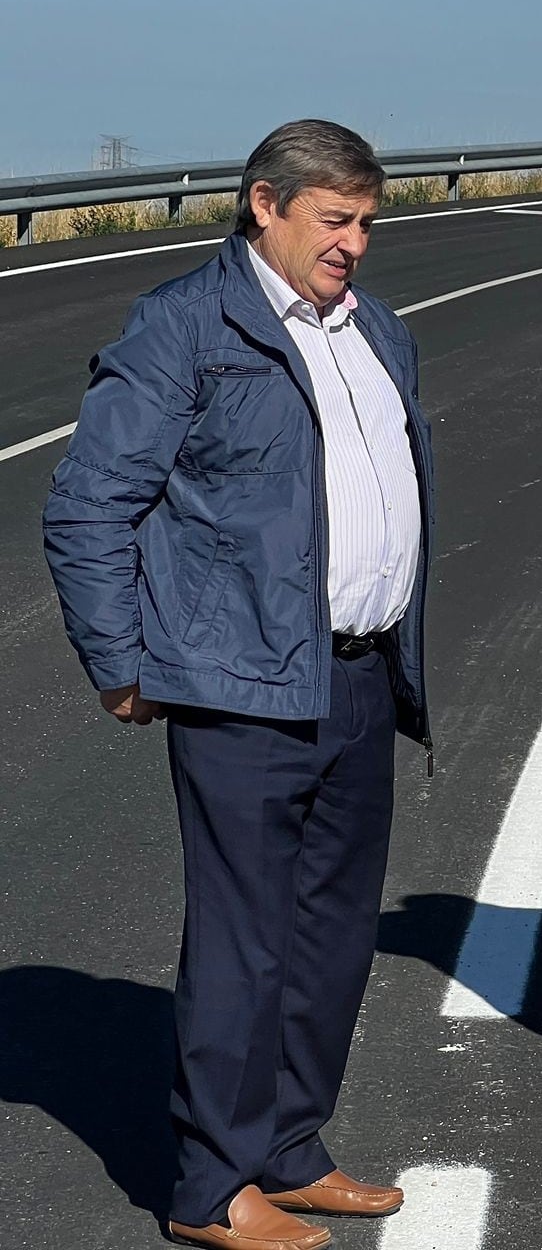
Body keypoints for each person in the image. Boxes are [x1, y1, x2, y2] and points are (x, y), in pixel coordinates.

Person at [44, 120, 431, 1250]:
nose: (355, 243)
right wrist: (119, 659)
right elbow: (88, 502)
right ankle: (211, 1188)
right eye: (334, 219)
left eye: (367, 222)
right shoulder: (184, 326)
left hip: (356, 677)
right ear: (264, 204)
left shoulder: (377, 333)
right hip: (239, 684)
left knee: (334, 935)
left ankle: (288, 1149)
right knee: (243, 940)